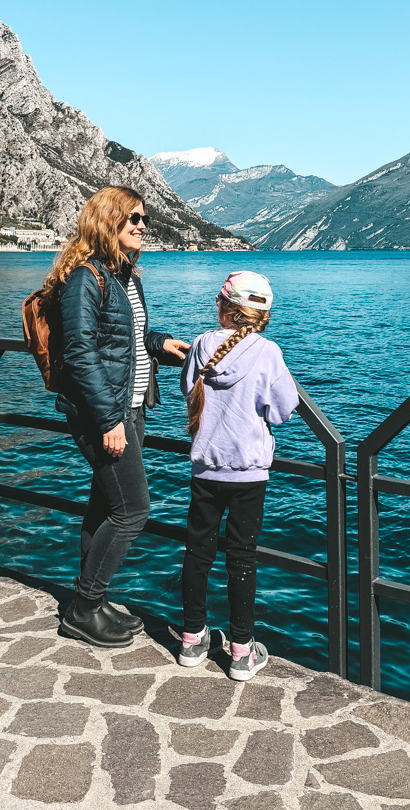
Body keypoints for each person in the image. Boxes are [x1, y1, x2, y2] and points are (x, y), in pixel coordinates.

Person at [43, 186, 189, 648]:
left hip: (131, 405)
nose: (143, 226)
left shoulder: (123, 273)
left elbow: (122, 339)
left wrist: (159, 343)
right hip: (105, 413)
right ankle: (84, 609)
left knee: (105, 507)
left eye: (144, 219)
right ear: (108, 222)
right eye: (133, 219)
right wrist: (109, 421)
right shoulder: (86, 277)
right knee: (133, 510)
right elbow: (81, 353)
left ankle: (92, 600)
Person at [178, 270, 299, 680]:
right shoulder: (268, 353)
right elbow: (283, 409)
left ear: (224, 308)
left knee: (198, 554)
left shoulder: (199, 344)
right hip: (248, 475)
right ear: (262, 316)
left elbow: (187, 388)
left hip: (205, 467)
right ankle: (241, 651)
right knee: (241, 559)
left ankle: (192, 640)